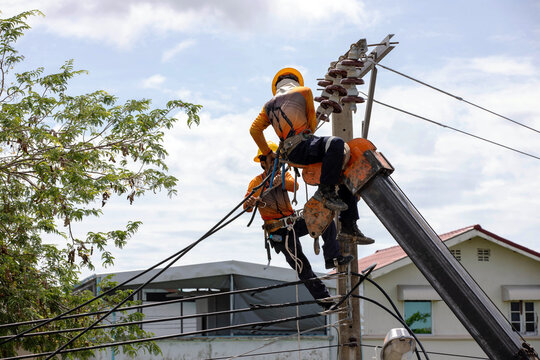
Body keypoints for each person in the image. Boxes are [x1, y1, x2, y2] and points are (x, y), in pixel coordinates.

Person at [249, 67, 374, 244]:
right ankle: (326, 192)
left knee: (344, 169)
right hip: (302, 147)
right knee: (336, 144)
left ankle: (348, 225)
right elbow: (312, 127)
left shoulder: (268, 106)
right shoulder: (304, 92)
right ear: (295, 82)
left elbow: (254, 130)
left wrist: (268, 152)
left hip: (292, 152)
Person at [244, 142, 353, 309]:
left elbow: (293, 185)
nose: (276, 163)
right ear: (262, 161)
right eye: (272, 159)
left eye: (278, 159)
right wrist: (253, 199)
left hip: (292, 223)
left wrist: (278, 181)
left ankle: (332, 255)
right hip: (279, 231)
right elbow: (247, 206)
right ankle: (325, 300)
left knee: (323, 218)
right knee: (302, 266)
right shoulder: (256, 183)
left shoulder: (283, 175)